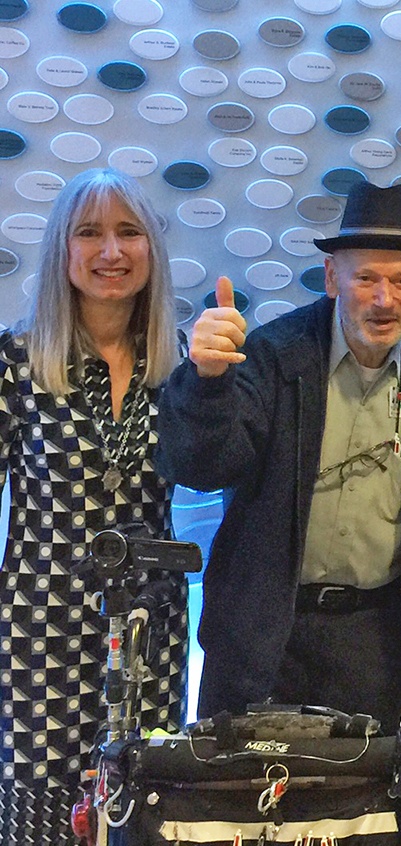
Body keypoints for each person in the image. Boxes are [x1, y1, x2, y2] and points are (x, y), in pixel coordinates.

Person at [157, 180, 401, 743]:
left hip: (381, 643)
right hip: (262, 638)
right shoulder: (271, 356)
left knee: (372, 817)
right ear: (333, 278)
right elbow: (203, 466)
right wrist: (206, 382)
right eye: (366, 278)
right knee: (243, 816)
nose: (384, 299)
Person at [0, 168, 186, 844]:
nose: (111, 252)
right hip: (41, 635)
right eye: (90, 234)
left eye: (128, 233)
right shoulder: (15, 364)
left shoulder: (182, 368)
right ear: (63, 251)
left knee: (143, 811)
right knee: (45, 821)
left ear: (152, 251)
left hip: (149, 635)